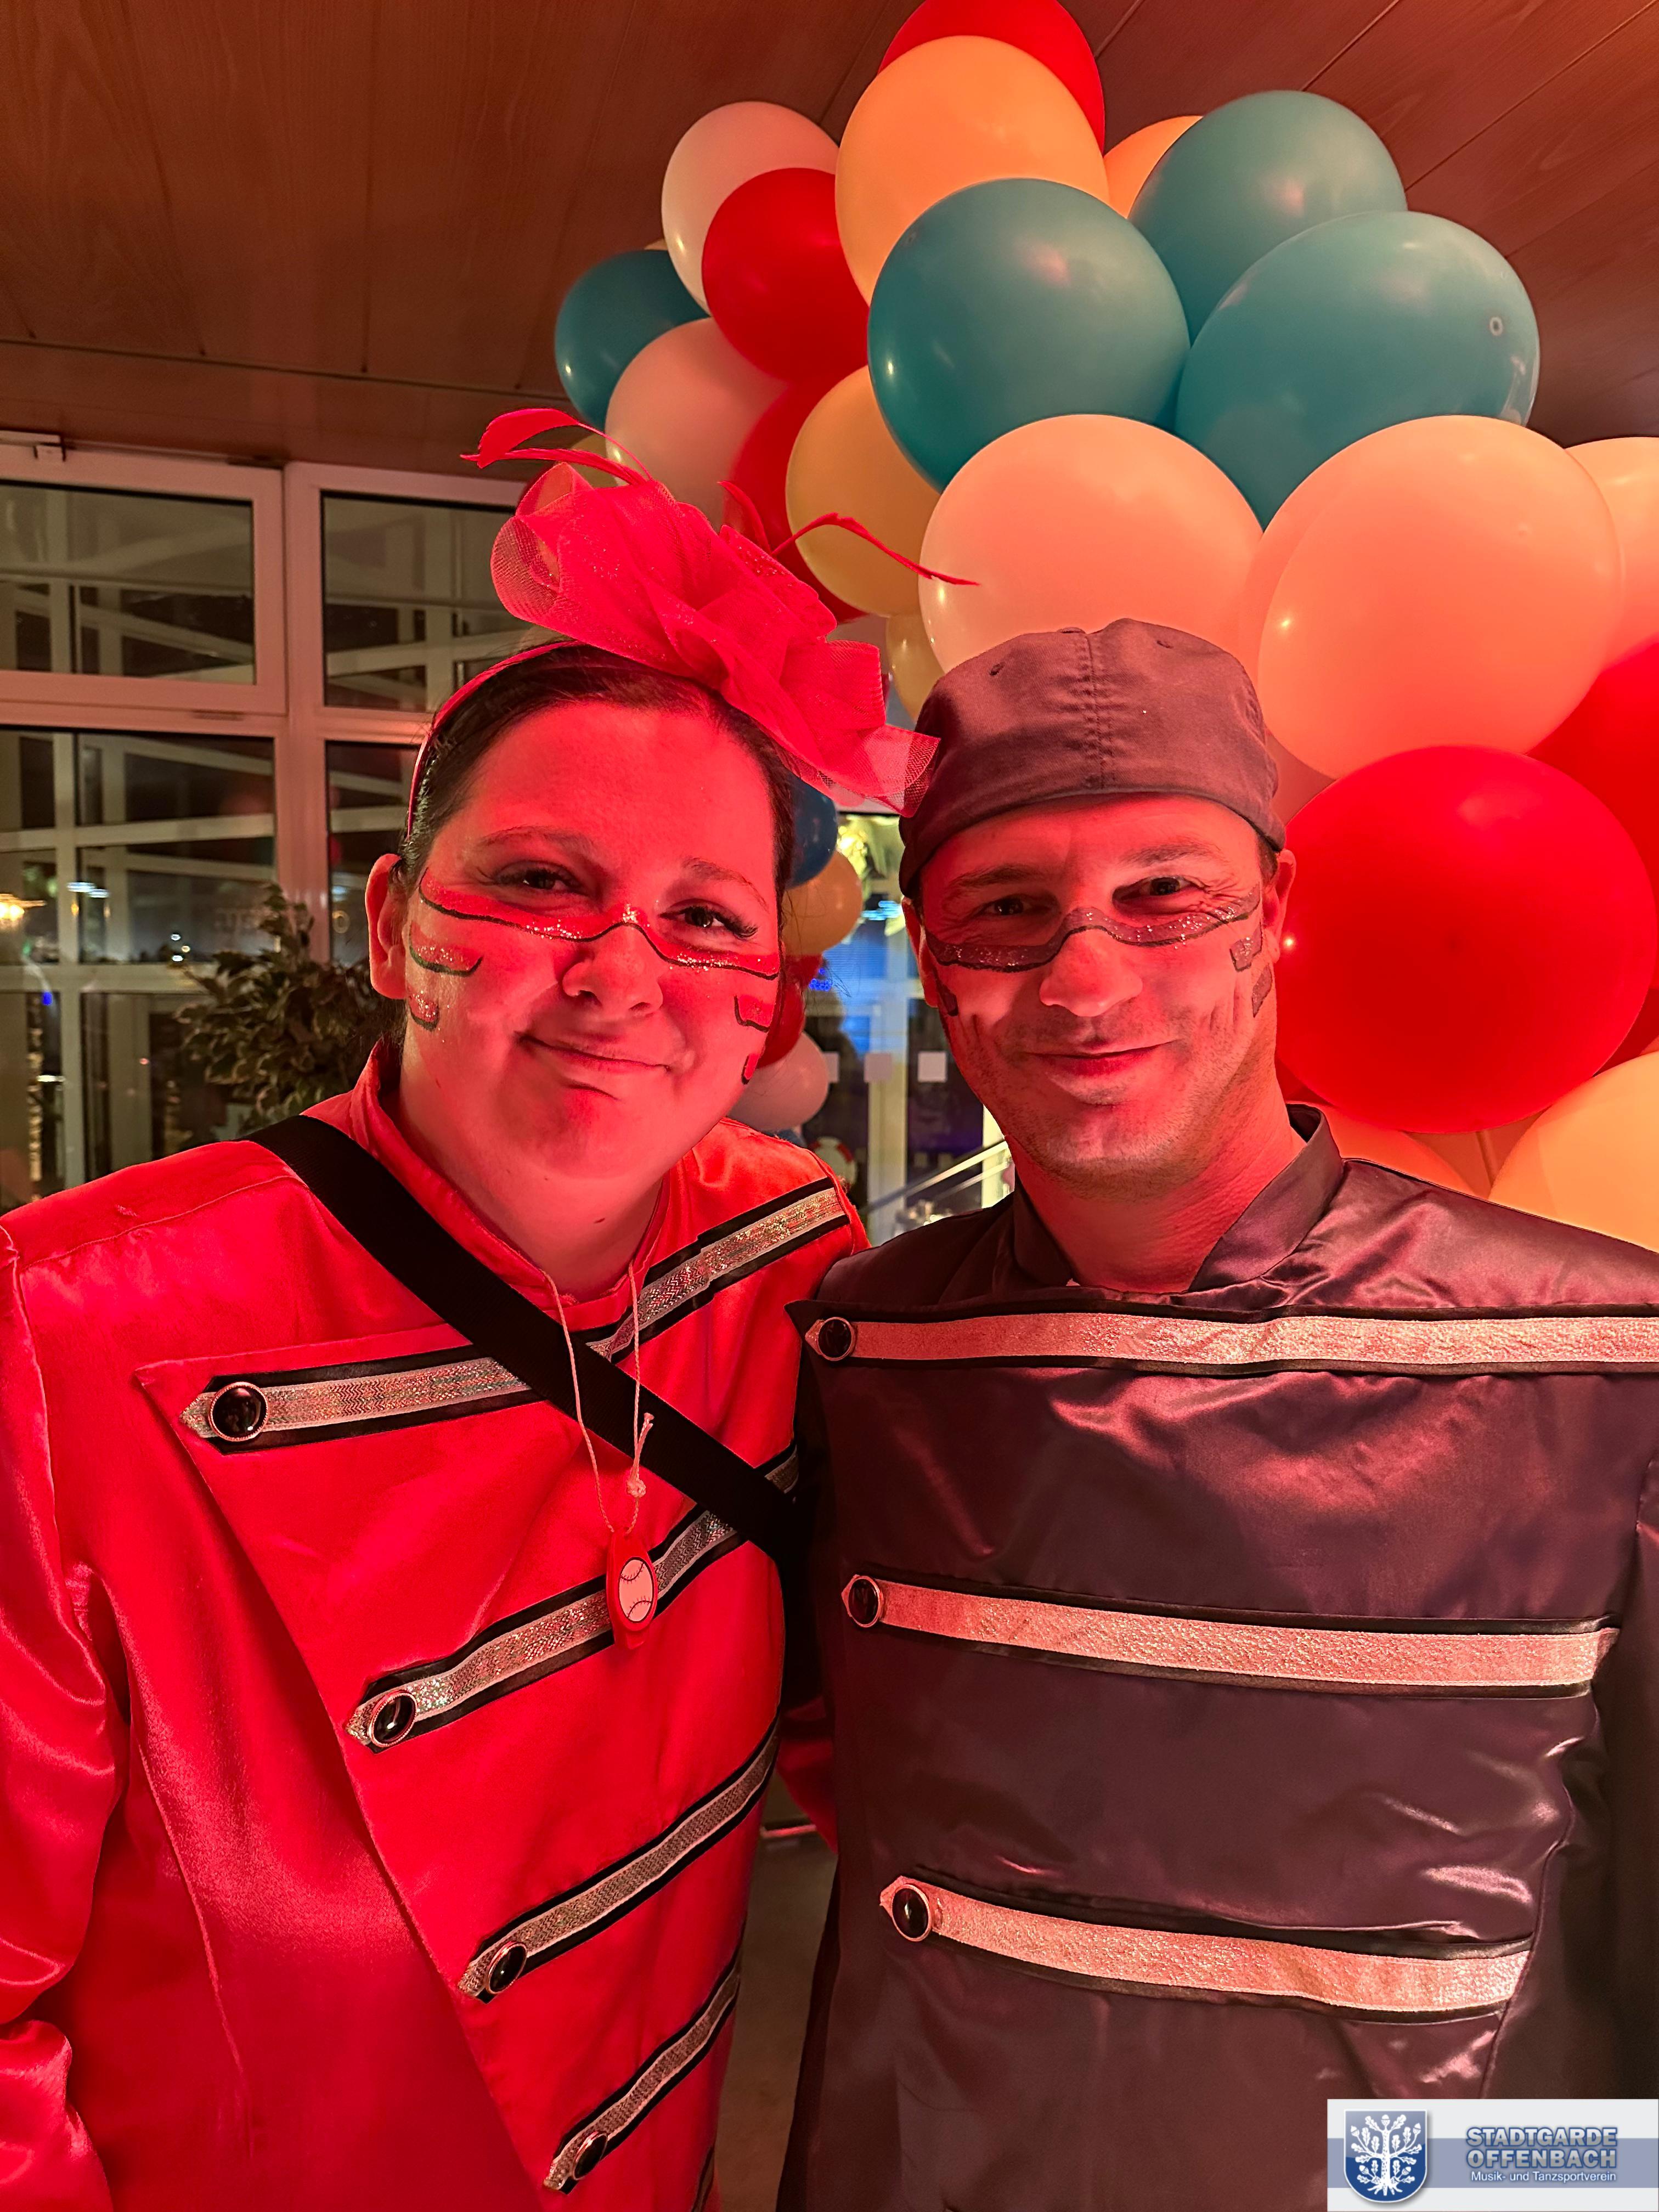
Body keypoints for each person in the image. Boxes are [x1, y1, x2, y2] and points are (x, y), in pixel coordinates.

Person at [0, 421, 922, 2211]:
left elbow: (873, 1712)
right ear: (391, 923)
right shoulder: (65, 1331)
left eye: (704, 916)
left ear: (763, 1003)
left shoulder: (786, 1255)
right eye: (542, 882)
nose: (622, 975)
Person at [781, 619, 1659, 2212]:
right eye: (1009, 910)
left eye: (1164, 895)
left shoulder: (1606, 1363)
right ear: (937, 963)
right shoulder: (864, 1351)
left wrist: (1481, 2190)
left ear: (1275, 914)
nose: (1087, 980)